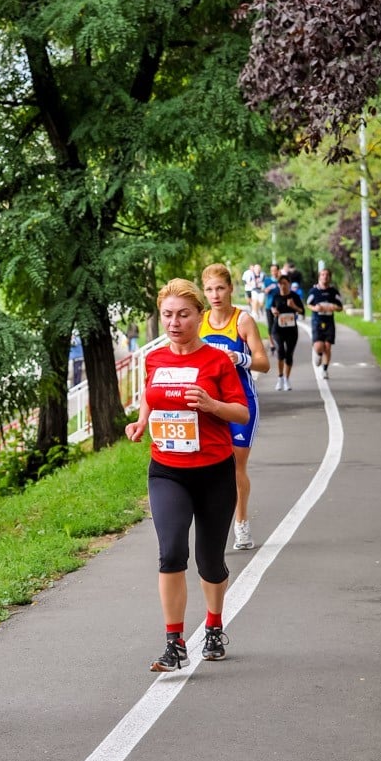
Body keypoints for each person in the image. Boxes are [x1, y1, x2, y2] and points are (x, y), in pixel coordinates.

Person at [125, 279, 249, 669]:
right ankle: (174, 642)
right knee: (172, 552)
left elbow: (241, 413)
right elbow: (150, 393)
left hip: (214, 472)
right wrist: (142, 421)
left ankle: (213, 627)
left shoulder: (217, 361)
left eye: (183, 314)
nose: (175, 322)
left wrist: (213, 404)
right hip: (167, 471)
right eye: (167, 315)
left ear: (199, 316)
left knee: (209, 560)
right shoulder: (156, 359)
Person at [200, 263, 270, 551]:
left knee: (234, 464)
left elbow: (264, 363)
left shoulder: (243, 321)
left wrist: (240, 358)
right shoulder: (200, 321)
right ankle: (212, 523)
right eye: (209, 289)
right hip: (209, 406)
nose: (215, 295)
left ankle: (240, 522)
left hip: (241, 402)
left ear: (230, 288)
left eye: (220, 288)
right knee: (209, 466)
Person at [306, 268, 343, 378]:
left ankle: (325, 369)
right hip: (317, 321)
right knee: (319, 346)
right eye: (323, 275)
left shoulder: (333, 292)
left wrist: (334, 307)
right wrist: (315, 308)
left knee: (327, 346)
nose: (325, 277)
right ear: (319, 277)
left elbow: (340, 307)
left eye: (327, 275)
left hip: (329, 321)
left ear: (330, 277)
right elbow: (308, 304)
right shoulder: (314, 291)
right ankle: (317, 353)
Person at [271, 274, 305, 391]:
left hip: (291, 329)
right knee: (280, 350)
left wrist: (294, 306)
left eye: (284, 283)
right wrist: (274, 311)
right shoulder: (276, 296)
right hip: (278, 329)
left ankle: (286, 379)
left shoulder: (294, 296)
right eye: (280, 284)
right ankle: (280, 378)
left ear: (289, 284)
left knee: (289, 354)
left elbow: (302, 311)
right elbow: (272, 307)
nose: (282, 286)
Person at [263, 263, 281, 354]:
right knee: (270, 325)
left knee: (279, 324)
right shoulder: (267, 280)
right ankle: (272, 344)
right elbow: (264, 291)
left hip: (280, 306)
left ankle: (280, 341)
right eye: (272, 270)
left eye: (275, 270)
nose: (273, 272)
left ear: (278, 270)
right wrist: (269, 288)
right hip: (269, 306)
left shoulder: (281, 280)